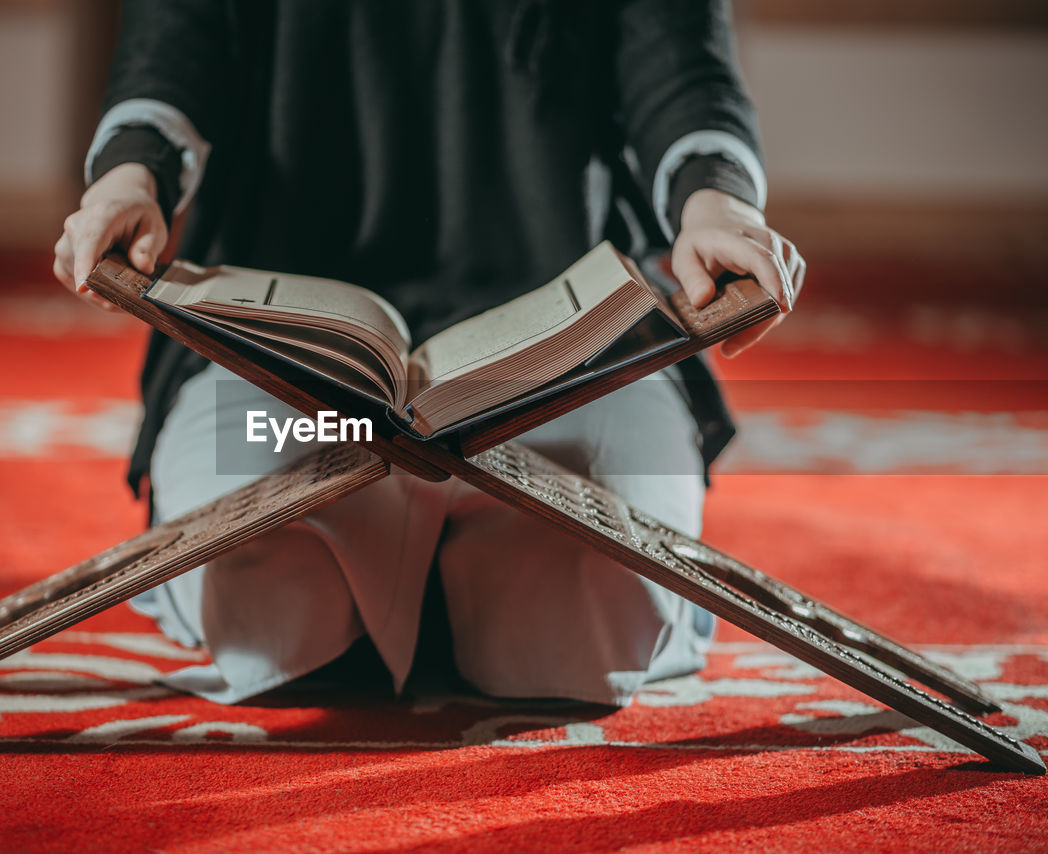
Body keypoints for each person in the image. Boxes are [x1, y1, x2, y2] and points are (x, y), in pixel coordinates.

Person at [53, 0, 804, 705]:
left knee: (590, 595)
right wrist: (127, 175)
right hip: (287, 360)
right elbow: (175, 44)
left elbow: (679, 66)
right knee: (269, 582)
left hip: (573, 347)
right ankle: (430, 577)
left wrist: (720, 201)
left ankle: (432, 580)